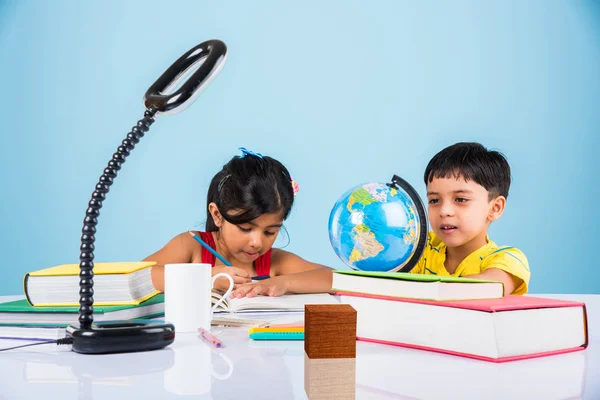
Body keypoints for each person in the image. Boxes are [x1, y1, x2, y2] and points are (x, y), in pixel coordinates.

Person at [145, 147, 332, 298]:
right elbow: (139, 276)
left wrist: (284, 282)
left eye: (270, 232)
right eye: (245, 228)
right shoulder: (191, 246)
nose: (257, 242)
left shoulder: (275, 262)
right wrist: (209, 277)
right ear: (217, 215)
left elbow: (337, 278)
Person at [410, 142, 530, 295]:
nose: (444, 211)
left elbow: (487, 288)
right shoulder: (419, 247)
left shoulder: (507, 259)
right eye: (434, 200)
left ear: (495, 208)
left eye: (460, 199)